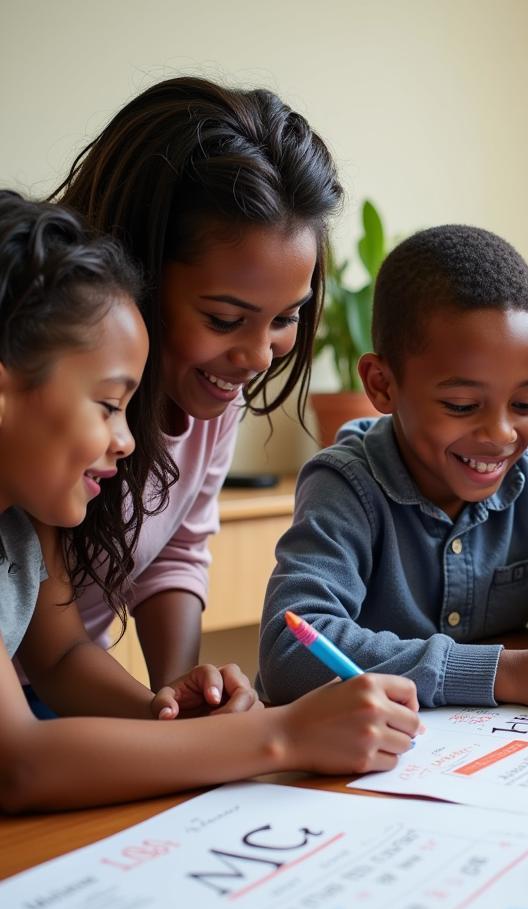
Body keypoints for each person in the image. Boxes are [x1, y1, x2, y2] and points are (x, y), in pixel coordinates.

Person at [0, 191, 421, 813]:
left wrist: (164, 713)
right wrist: (281, 735)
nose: (127, 439)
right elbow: (20, 765)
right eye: (110, 404)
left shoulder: (17, 527)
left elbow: (60, 655)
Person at [260, 224, 528, 714]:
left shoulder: (526, 478)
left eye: (526, 402)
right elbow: (291, 648)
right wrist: (505, 673)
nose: (502, 434)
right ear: (382, 385)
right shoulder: (344, 485)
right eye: (463, 405)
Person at [45, 76, 342, 698]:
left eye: (285, 318)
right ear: (137, 270)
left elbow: (177, 551)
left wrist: (185, 693)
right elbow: (54, 657)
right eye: (225, 320)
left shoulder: (214, 383)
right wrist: (177, 726)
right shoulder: (43, 414)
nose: (257, 356)